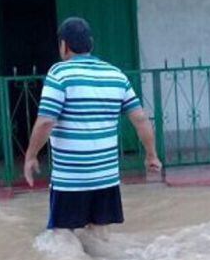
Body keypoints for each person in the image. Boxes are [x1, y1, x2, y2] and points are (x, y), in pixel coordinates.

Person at [24, 17, 161, 239]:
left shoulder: (60, 73)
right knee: (100, 237)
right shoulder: (116, 75)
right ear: (91, 43)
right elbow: (141, 119)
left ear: (64, 45)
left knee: (63, 238)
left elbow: (46, 121)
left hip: (71, 179)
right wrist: (151, 156)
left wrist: (30, 156)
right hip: (106, 177)